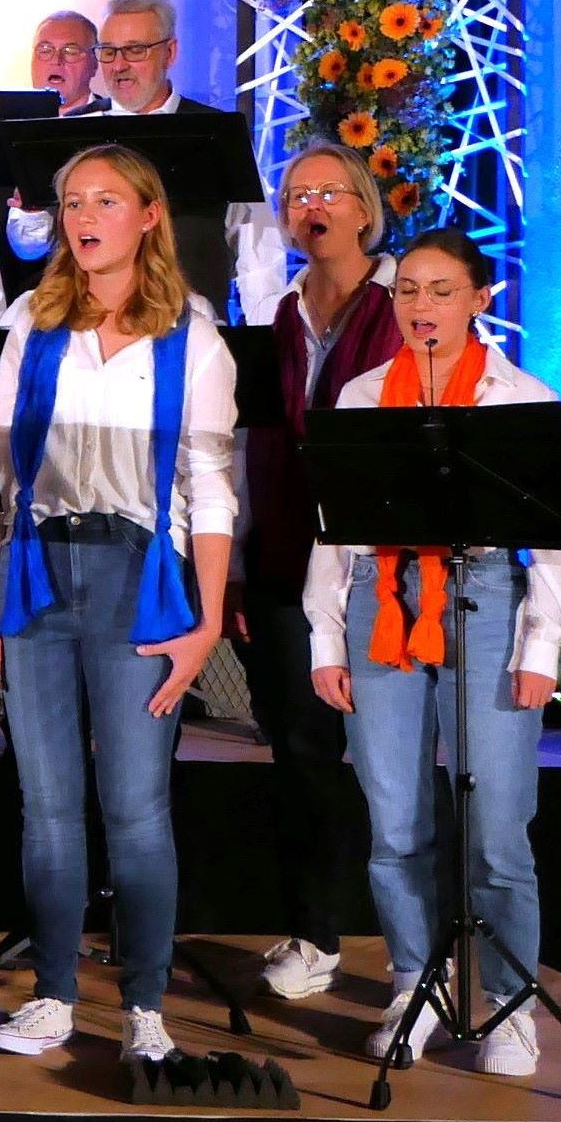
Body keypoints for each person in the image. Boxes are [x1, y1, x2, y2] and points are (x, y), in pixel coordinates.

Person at [0, 143, 238, 1065]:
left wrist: (203, 626)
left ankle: (146, 1007)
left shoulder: (192, 336)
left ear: (149, 216)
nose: (85, 217)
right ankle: (53, 996)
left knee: (135, 805)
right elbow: (1, 480)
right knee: (45, 805)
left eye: (106, 201)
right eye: (75, 202)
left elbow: (210, 488)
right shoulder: (33, 326)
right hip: (39, 575)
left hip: (137, 580)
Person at [305, 230, 561, 1079]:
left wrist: (543, 649)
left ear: (480, 300)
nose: (422, 306)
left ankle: (512, 1004)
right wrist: (323, 637)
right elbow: (332, 529)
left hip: (486, 597)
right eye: (409, 290)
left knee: (497, 825)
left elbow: (553, 551)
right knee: (396, 822)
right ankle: (414, 982)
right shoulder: (359, 395)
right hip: (379, 601)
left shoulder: (520, 398)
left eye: (443, 290)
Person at [237, 142, 402, 1005]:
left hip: (381, 569)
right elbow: (251, 444)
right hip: (286, 561)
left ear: (363, 206)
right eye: (299, 194)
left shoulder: (404, 298)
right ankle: (316, 932)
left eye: (330, 191)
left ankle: (420, 945)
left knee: (393, 759)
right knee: (301, 753)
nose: (314, 206)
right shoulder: (277, 313)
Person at [88, 0, 292, 320]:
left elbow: (258, 252)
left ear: (170, 52)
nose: (119, 66)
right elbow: (30, 247)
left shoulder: (217, 134)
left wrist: (265, 339)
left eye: (135, 50)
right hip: (90, 341)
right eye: (108, 52)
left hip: (193, 339)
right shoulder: (73, 134)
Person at [0, 9, 108, 298]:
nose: (56, 60)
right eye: (45, 50)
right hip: (0, 295)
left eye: (70, 50)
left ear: (94, 63)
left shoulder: (108, 123)